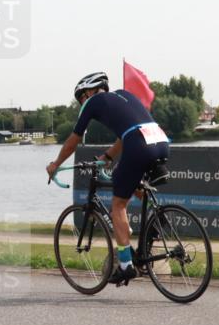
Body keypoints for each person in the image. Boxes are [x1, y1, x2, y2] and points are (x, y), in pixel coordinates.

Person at [46, 71, 170, 285]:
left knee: (118, 205)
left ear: (91, 90)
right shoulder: (124, 94)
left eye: (82, 97)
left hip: (139, 144)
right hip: (160, 140)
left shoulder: (93, 103)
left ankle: (125, 266)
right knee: (133, 184)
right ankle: (157, 220)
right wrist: (108, 157)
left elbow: (73, 141)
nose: (82, 103)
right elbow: (128, 131)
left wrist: (56, 164)